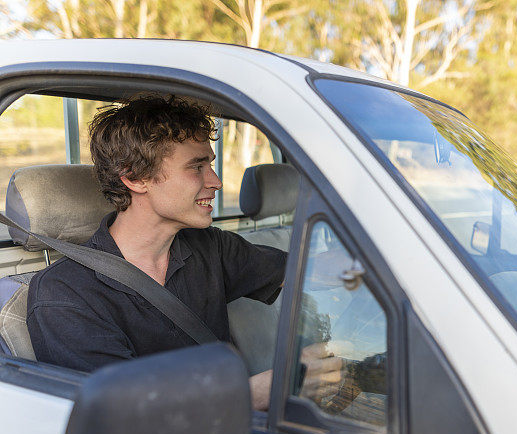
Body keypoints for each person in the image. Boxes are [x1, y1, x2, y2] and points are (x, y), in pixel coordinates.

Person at [26, 95, 341, 410]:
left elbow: (307, 272)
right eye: (197, 167)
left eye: (211, 165)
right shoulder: (64, 295)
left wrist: (370, 265)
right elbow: (124, 417)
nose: (216, 182)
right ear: (135, 178)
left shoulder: (209, 246)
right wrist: (272, 388)